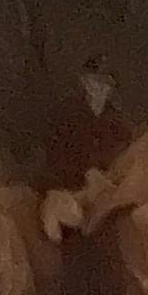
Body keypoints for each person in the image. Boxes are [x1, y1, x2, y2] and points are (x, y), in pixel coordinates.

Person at [41, 51, 127, 197]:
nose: (99, 87)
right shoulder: (67, 116)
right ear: (84, 82)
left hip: (107, 193)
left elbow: (122, 160)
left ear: (112, 88)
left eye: (106, 83)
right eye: (94, 81)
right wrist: (84, 177)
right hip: (70, 190)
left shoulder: (117, 124)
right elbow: (55, 158)